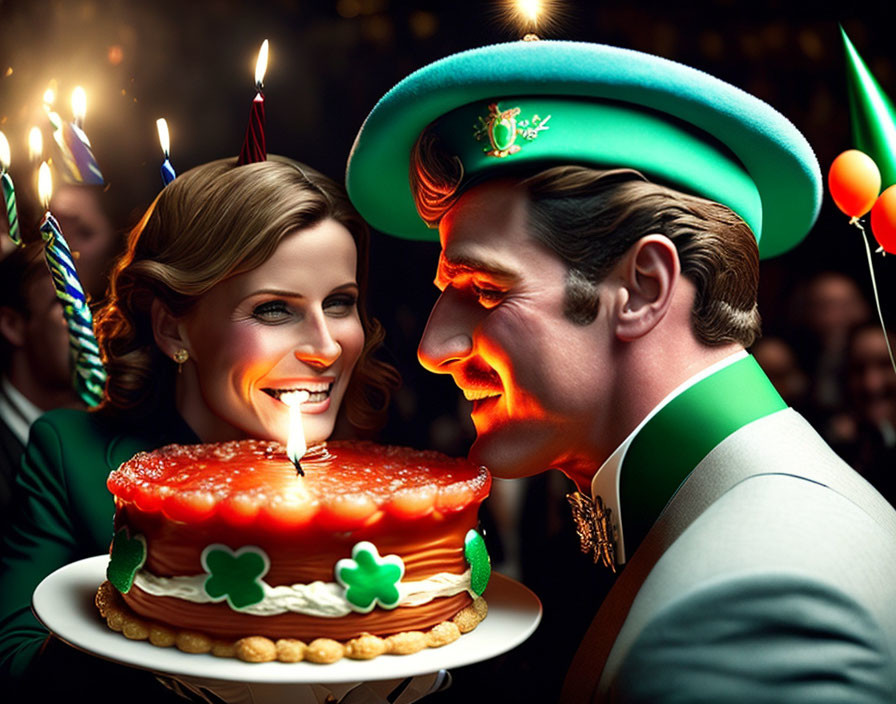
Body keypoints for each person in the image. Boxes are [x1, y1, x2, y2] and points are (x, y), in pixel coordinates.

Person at [346, 41, 896, 702]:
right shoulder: (737, 526)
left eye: (488, 290)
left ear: (642, 286)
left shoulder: (750, 602)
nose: (434, 347)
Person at [0, 156, 399, 703]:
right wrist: (163, 597)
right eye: (275, 310)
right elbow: (14, 670)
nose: (327, 346)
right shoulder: (71, 457)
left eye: (339, 303)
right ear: (171, 327)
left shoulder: (387, 491)